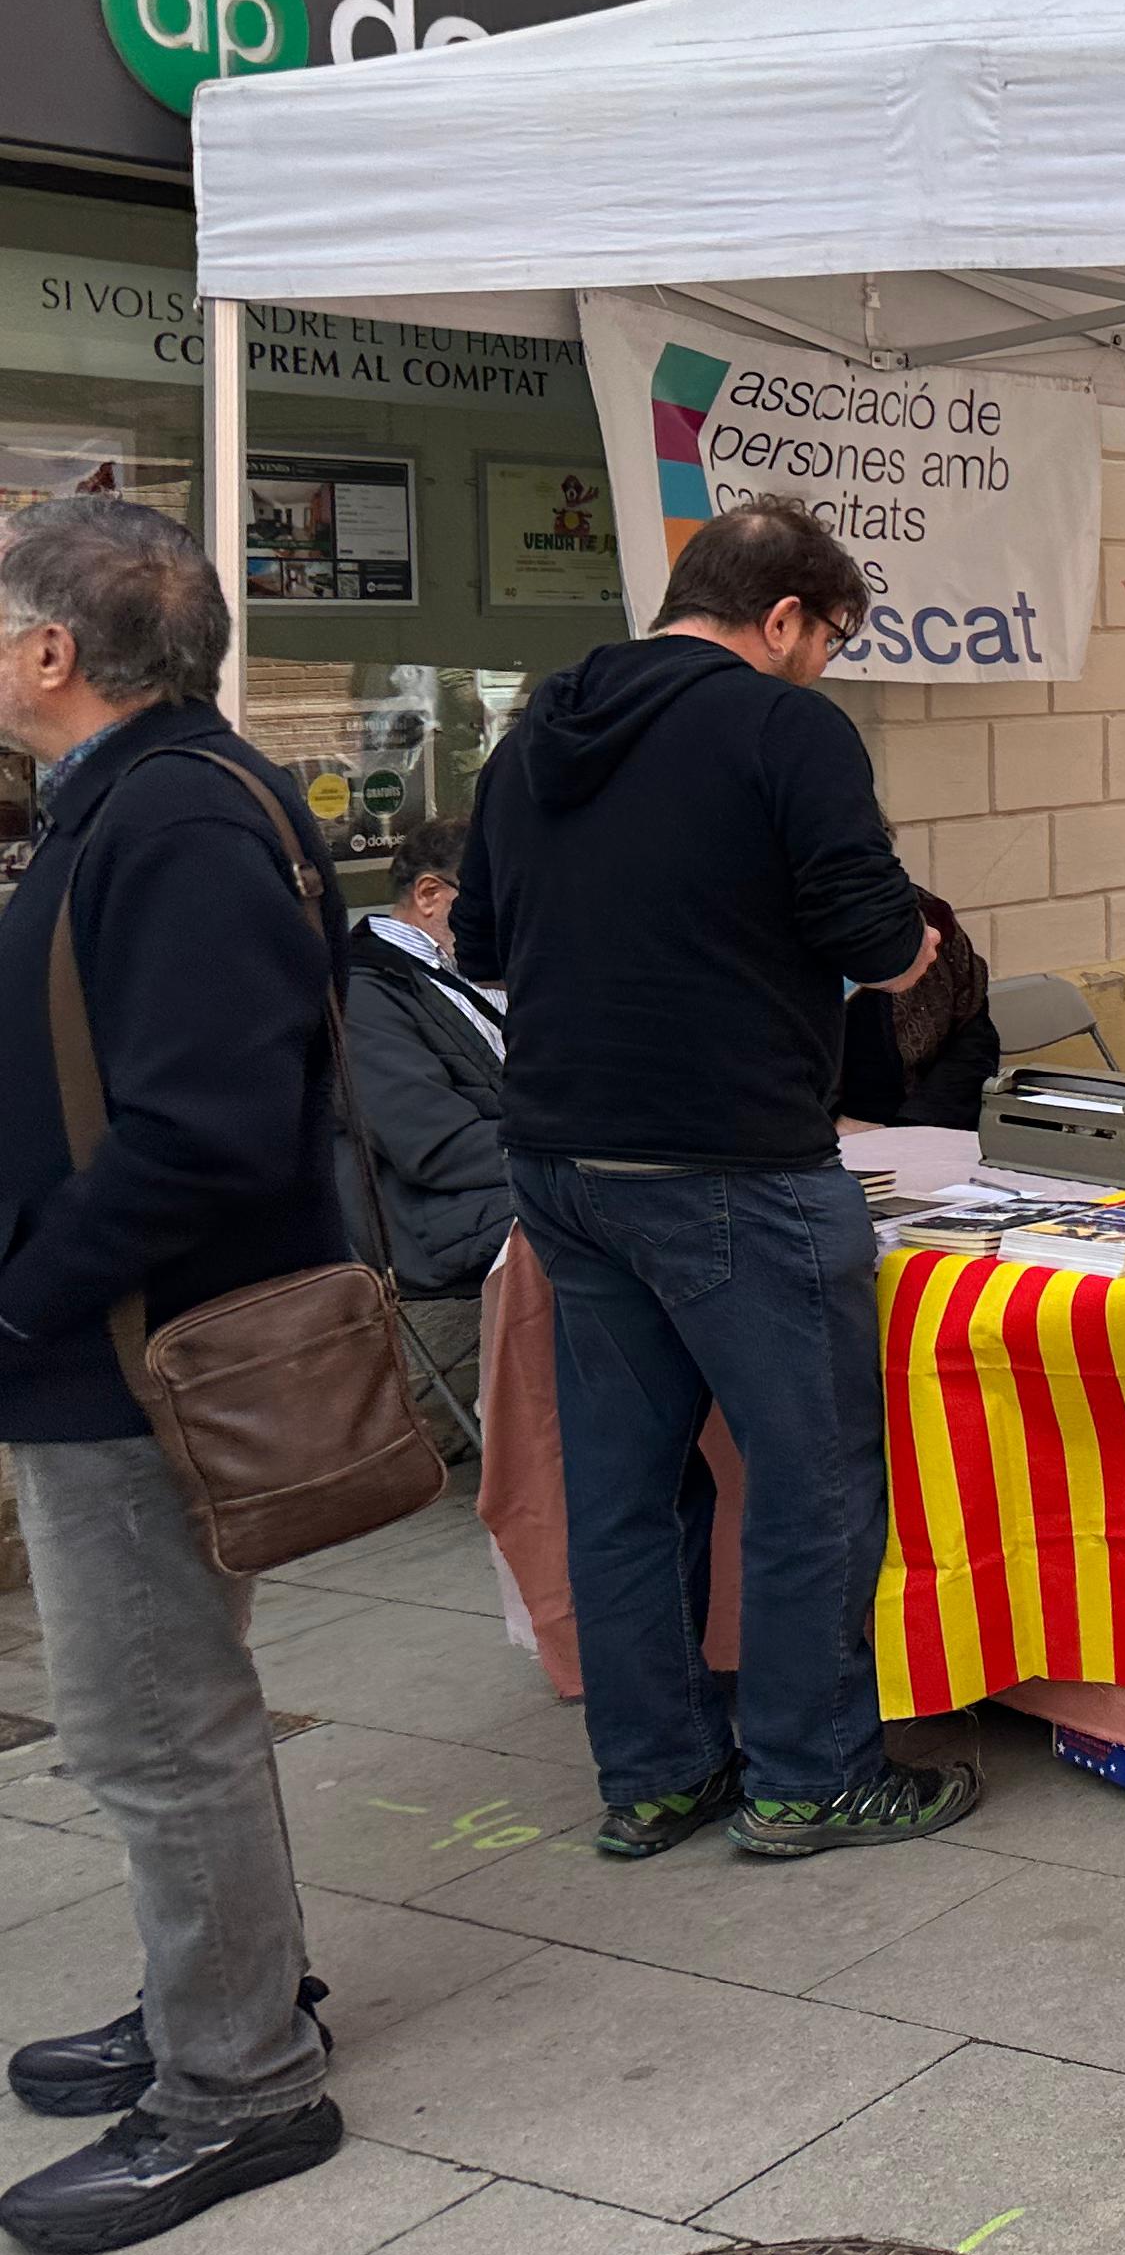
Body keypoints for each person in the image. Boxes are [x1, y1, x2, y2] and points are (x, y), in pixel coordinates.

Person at [459, 501, 973, 1863]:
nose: (821, 670)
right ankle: (810, 1775)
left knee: (624, 1486)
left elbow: (487, 943)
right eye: (828, 643)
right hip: (734, 1156)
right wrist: (902, 946)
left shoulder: (530, 742)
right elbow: (876, 939)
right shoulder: (784, 728)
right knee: (812, 1480)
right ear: (787, 618)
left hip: (563, 1161)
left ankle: (656, 1776)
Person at [0, 497, 349, 2255]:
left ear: (55, 651)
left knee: (155, 1725)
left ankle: (240, 2082)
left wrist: (21, 1300)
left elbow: (198, 1125)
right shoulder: (161, 795)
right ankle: (223, 1983)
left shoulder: (175, 817)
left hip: (130, 1350)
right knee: (175, 1706)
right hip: (123, 1339)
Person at [343, 814, 514, 1447]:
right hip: (420, 1214)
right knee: (628, 1210)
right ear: (431, 896)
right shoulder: (367, 988)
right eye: (503, 901)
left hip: (499, 1180)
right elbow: (434, 1147)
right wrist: (579, 1148)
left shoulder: (477, 969)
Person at [837, 890, 997, 1131]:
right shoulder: (774, 936)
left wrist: (915, 1128)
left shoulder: (930, 916)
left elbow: (973, 1044)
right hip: (806, 1143)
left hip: (926, 1132)